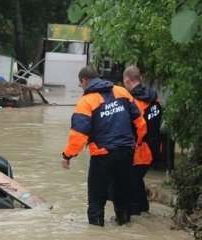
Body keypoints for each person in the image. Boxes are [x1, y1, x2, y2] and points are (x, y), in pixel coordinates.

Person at [60, 66, 146, 226]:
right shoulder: (122, 92)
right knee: (122, 198)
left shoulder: (86, 102)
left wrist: (67, 156)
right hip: (126, 153)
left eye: (80, 84)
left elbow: (78, 136)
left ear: (84, 81)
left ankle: (96, 233)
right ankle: (125, 227)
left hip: (102, 157)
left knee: (96, 201)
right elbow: (140, 122)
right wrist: (136, 142)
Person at [122, 65, 163, 216]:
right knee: (137, 178)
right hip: (155, 146)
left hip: (142, 149)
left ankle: (135, 216)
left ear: (127, 80)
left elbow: (140, 128)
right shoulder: (154, 97)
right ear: (141, 79)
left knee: (130, 183)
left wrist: (133, 144)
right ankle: (144, 208)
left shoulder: (136, 102)